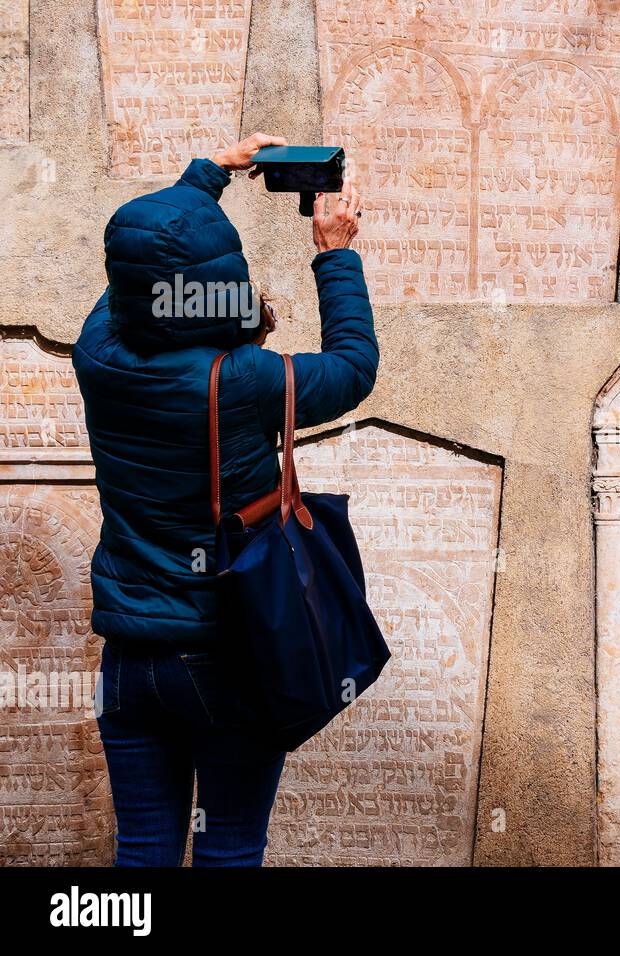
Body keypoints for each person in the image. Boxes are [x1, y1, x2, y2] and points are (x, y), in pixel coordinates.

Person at [72, 133, 379, 866]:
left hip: (131, 661)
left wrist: (205, 175)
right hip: (227, 655)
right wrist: (334, 251)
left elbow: (140, 271)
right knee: (229, 848)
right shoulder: (245, 380)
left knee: (141, 849)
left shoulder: (98, 354)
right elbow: (351, 367)